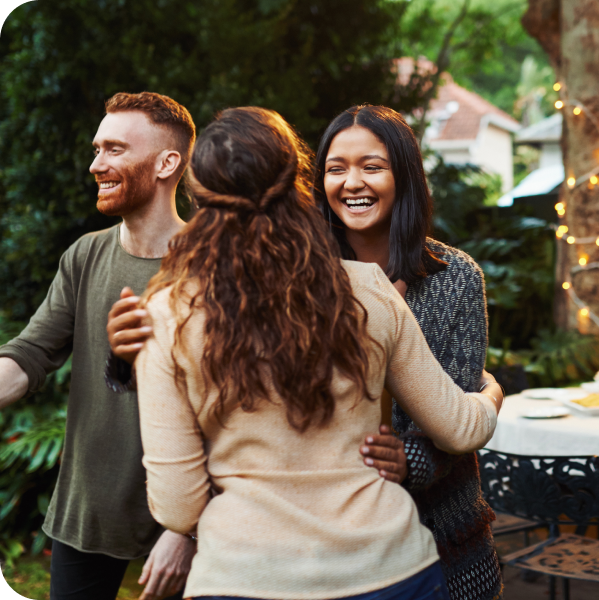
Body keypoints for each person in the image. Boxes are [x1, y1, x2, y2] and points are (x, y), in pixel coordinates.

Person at [133, 106, 501, 600]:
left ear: (197, 194)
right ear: (299, 183)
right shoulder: (370, 289)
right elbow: (461, 428)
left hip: (246, 577)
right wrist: (490, 395)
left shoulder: (167, 312)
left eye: (372, 166)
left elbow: (179, 507)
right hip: (388, 570)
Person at [0, 92, 198, 600]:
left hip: (191, 515)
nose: (96, 165)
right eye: (96, 150)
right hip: (88, 509)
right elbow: (28, 356)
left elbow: (242, 406)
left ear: (166, 163)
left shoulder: (215, 261)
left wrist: (187, 529)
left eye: (113, 150)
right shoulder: (86, 255)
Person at [313, 104, 504, 600]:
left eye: (371, 167)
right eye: (337, 169)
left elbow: (461, 405)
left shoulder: (455, 278)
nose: (352, 182)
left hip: (445, 541)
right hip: (335, 545)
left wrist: (410, 460)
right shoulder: (305, 278)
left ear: (404, 176)